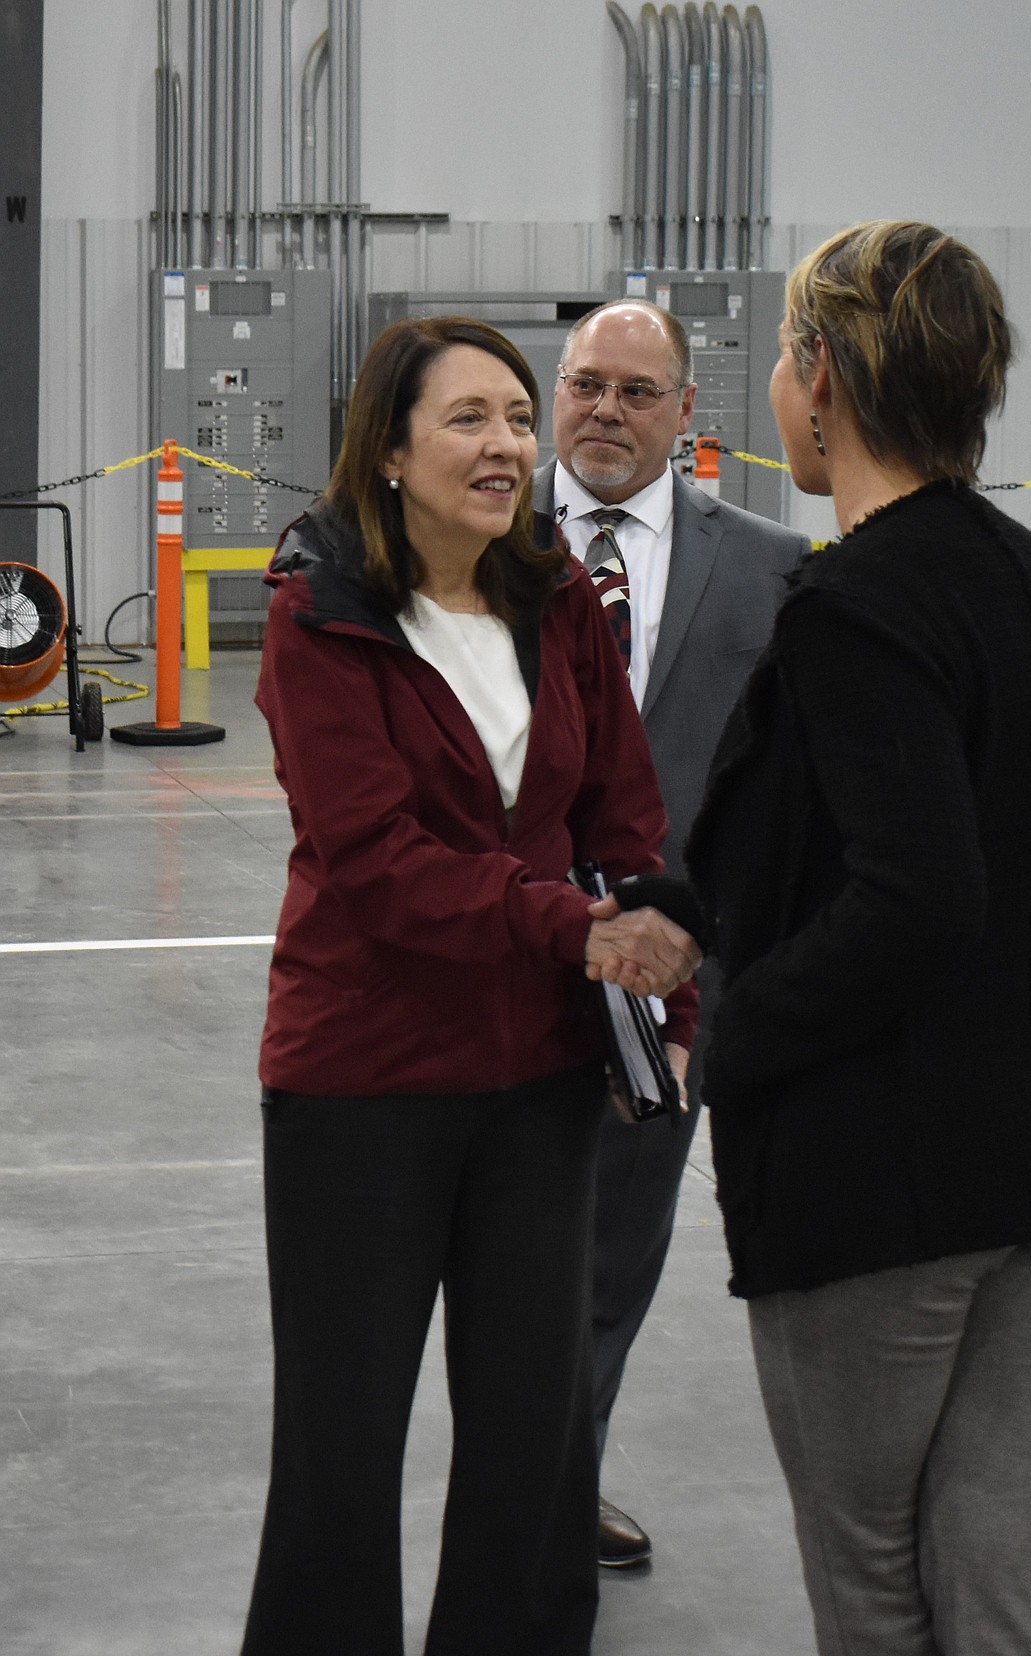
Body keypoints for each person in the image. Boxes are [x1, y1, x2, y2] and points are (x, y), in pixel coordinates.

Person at [680, 221, 1031, 1655]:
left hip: (888, 1172)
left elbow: (915, 893)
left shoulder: (852, 605)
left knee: (871, 1578)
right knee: (1000, 1566)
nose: (774, 383)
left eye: (779, 353)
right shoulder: (1028, 578)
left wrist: (732, 1032)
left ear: (821, 375)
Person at [240, 315, 700, 1656]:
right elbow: (377, 862)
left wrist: (659, 1001)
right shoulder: (319, 613)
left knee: (532, 1442)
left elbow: (624, 821)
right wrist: (575, 930)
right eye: (468, 419)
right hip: (360, 1089)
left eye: (515, 416)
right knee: (342, 1444)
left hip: (538, 1089)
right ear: (388, 447)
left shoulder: (556, 602)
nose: (506, 445)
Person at [533, 298, 807, 1565]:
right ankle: (508, 1484)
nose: (606, 410)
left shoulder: (768, 564)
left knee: (615, 1252)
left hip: (667, 976)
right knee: (478, 1248)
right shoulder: (471, 534)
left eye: (639, 392)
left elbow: (787, 785)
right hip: (495, 957)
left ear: (690, 412)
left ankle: (552, 1486)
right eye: (586, 383)